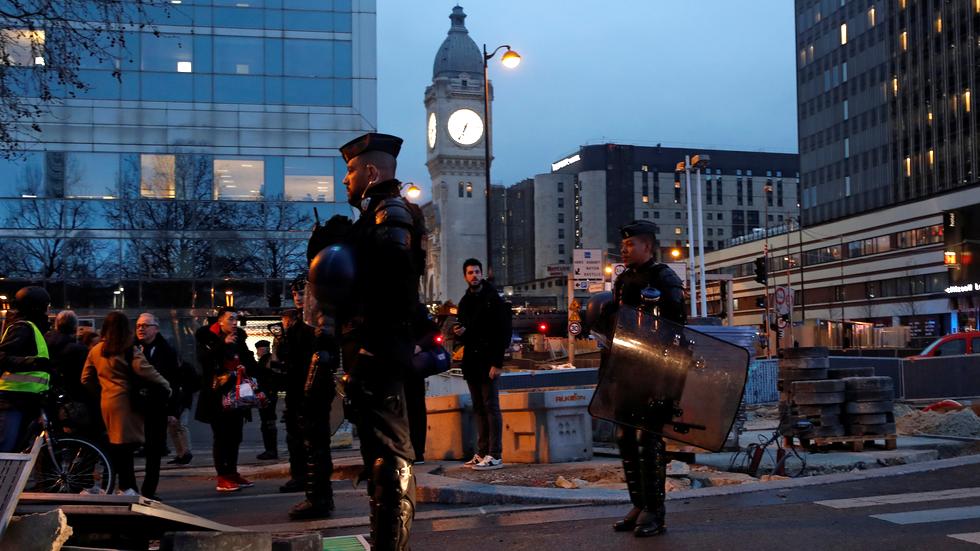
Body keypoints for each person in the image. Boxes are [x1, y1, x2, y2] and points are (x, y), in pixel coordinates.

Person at [307, 132, 425, 548]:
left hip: (381, 348)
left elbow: (395, 287)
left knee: (389, 456)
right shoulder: (371, 217)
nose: (345, 180)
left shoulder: (390, 214)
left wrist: (373, 350)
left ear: (371, 171)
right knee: (377, 454)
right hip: (369, 347)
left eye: (351, 170)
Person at [604, 220, 685, 538]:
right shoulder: (623, 279)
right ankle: (638, 503)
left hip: (656, 370)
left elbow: (678, 325)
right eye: (623, 245)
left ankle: (655, 511)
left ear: (647, 246)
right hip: (627, 369)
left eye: (630, 245)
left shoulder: (665, 277)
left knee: (647, 440)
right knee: (624, 438)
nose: (624, 249)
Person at [81, 311, 171, 496]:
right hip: (126, 405)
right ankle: (128, 488)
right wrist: (166, 386)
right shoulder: (129, 350)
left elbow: (85, 378)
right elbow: (147, 371)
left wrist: (101, 391)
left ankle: (119, 487)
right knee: (126, 449)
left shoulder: (96, 350)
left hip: (106, 403)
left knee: (115, 447)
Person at [454, 258, 512, 471]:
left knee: (491, 407)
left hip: (488, 361)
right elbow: (466, 334)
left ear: (482, 274)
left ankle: (495, 454)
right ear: (465, 276)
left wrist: (497, 363)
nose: (474, 276)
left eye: (477, 271)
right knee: (479, 408)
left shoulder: (493, 299)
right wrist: (459, 333)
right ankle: (482, 452)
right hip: (472, 362)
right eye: (470, 272)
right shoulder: (464, 302)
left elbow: (502, 333)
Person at [194, 307, 257, 492]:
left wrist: (250, 369)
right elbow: (204, 360)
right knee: (221, 436)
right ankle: (222, 476)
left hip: (237, 394)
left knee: (235, 436)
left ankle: (232, 473)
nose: (234, 322)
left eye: (236, 319)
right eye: (230, 319)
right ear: (220, 320)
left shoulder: (240, 337)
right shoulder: (206, 336)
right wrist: (223, 343)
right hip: (216, 394)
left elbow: (247, 357)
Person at [0, 287, 52, 452]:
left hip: (25, 399)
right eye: (46, 305)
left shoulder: (32, 327)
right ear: (36, 307)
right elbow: (2, 357)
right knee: (6, 449)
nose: (48, 309)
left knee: (15, 450)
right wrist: (32, 362)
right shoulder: (22, 327)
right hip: (12, 401)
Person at [276, 279, 315, 493]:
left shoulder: (314, 320)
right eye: (295, 294)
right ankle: (300, 475)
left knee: (307, 435)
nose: (298, 297)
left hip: (308, 385)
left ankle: (306, 478)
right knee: (295, 434)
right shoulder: (297, 321)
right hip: (296, 384)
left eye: (302, 293)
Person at [135, 312, 179, 499]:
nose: (141, 329)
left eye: (146, 325)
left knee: (154, 452)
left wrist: (172, 410)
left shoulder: (165, 350)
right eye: (138, 325)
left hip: (156, 407)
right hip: (135, 407)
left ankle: (149, 491)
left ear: (156, 328)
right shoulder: (132, 347)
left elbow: (173, 381)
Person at [166, 358, 198, 466]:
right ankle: (182, 453)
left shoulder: (185, 370)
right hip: (177, 401)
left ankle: (185, 452)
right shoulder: (180, 369)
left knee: (180, 426)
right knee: (174, 428)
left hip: (182, 401)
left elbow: (192, 387)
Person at [254, 339, 282, 460]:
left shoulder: (268, 359)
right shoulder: (265, 359)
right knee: (267, 422)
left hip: (267, 394)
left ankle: (271, 451)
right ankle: (270, 450)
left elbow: (273, 368)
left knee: (268, 422)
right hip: (268, 394)